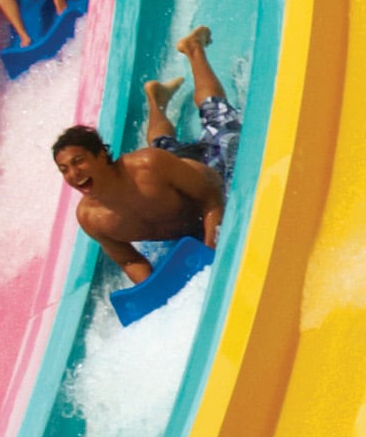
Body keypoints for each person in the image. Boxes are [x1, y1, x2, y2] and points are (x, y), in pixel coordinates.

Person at [51, 68, 231, 289]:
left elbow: (212, 195)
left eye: (79, 161)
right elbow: (130, 260)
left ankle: (195, 51)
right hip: (175, 173)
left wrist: (210, 254)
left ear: (100, 155)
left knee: (218, 117)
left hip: (212, 167)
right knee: (162, 143)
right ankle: (157, 99)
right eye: (64, 169)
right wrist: (152, 292)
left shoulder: (147, 166)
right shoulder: (91, 218)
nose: (73, 174)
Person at [139, 24, 242, 186]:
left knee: (164, 151)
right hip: (208, 172)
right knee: (215, 113)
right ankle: (193, 49)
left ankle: (157, 101)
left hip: (180, 179)